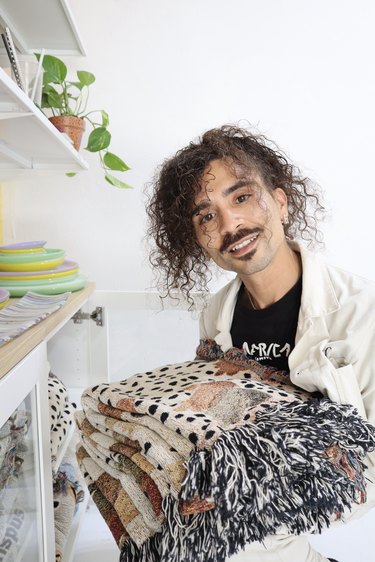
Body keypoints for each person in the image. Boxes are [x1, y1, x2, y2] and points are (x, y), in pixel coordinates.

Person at [146, 124, 375, 562]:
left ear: (282, 202)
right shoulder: (215, 316)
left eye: (241, 196)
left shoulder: (362, 312)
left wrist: (259, 506)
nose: (230, 224)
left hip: (319, 501)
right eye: (206, 216)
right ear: (198, 238)